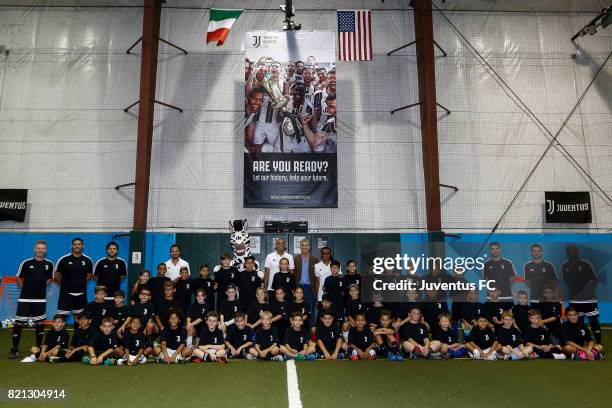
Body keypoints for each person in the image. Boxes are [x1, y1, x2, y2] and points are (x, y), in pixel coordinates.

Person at [10, 240, 54, 359]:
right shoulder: (26, 262)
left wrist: (41, 288)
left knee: (39, 323)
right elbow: (18, 278)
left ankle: (38, 349)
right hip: (25, 299)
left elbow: (50, 279)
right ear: (35, 249)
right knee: (19, 323)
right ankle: (14, 349)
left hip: (40, 300)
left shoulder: (49, 264)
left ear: (45, 250)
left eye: (42, 248)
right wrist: (25, 289)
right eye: (38, 248)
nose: (40, 250)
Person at [561, 244, 601, 344]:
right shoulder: (564, 266)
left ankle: (599, 344)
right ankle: (580, 343)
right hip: (574, 300)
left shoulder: (585, 264)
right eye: (569, 251)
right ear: (567, 253)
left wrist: (587, 293)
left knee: (594, 322)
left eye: (573, 250)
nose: (571, 252)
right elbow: (566, 281)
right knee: (578, 323)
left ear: (577, 251)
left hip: (589, 300)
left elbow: (594, 280)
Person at [54, 237, 93, 318]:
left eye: (79, 244)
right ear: (72, 246)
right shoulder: (63, 259)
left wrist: (80, 282)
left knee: (80, 318)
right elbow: (56, 275)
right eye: (75, 244)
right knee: (61, 317)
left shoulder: (88, 260)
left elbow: (89, 275)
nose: (77, 246)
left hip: (81, 294)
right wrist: (64, 285)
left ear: (83, 246)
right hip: (65, 294)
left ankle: (78, 331)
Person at [293, 239, 319, 315]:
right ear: (300, 247)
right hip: (299, 287)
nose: (304, 247)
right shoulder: (295, 259)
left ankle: (311, 327)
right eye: (302, 245)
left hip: (310, 288)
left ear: (309, 247)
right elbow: (293, 274)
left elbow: (317, 277)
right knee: (298, 310)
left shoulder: (315, 259)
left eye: (306, 245)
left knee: (310, 309)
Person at [323, 260, 344, 326]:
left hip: (340, 305)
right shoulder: (328, 279)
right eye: (333, 267)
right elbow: (325, 291)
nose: (334, 269)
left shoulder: (342, 279)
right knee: (331, 322)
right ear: (330, 268)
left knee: (340, 323)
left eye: (336, 267)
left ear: (339, 268)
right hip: (331, 305)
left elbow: (343, 291)